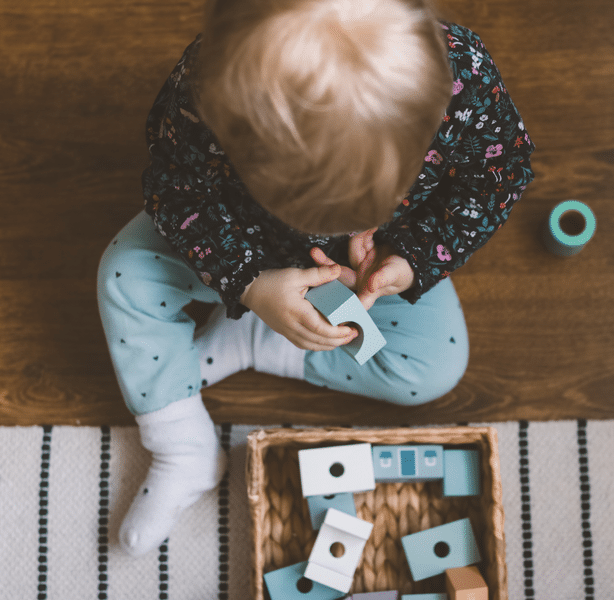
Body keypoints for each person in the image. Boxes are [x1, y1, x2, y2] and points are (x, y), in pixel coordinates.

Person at [97, 0, 535, 557]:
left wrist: (414, 256)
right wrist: (251, 281)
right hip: (233, 246)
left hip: (368, 270)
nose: (337, 227)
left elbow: (499, 176)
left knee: (434, 367)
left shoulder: (464, 80)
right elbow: (174, 189)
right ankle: (181, 445)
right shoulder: (205, 92)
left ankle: (256, 341)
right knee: (123, 273)